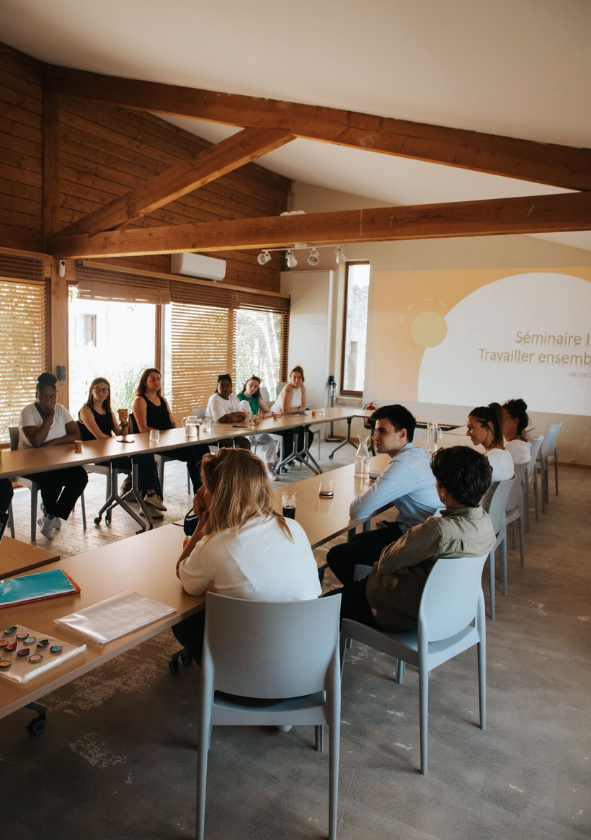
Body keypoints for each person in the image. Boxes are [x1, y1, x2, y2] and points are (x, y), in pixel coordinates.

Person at [172, 448, 321, 665]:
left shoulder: (216, 545)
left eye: (206, 485)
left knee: (184, 619)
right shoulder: (293, 527)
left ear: (220, 494)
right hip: (308, 667)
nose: (200, 490)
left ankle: (219, 678)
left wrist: (201, 526)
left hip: (250, 684)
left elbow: (184, 576)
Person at [324, 447, 496, 632]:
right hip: (446, 611)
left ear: (443, 492)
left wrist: (408, 562)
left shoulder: (437, 530)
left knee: (323, 607)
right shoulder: (485, 522)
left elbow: (386, 563)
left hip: (398, 611)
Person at [325, 404, 441, 585]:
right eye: (374, 430)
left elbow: (358, 511)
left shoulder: (403, 465)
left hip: (417, 541)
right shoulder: (419, 453)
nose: (375, 436)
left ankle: (370, 595)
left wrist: (381, 485)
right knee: (358, 539)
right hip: (422, 531)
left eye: (382, 431)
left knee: (338, 554)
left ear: (402, 433)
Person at [79, 377, 164, 516]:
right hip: (97, 455)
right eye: (98, 389)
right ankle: (150, 500)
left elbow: (120, 434)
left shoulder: (109, 412)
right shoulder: (86, 410)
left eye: (105, 389)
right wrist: (117, 441)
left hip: (112, 452)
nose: (101, 392)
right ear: (91, 391)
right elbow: (100, 437)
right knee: (143, 460)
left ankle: (151, 498)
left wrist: (124, 423)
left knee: (145, 456)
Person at [18, 372, 88, 539]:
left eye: (52, 396)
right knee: (53, 481)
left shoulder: (61, 409)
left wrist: (52, 443)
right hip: (29, 464)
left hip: (56, 461)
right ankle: (51, 514)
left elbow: (75, 434)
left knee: (80, 476)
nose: (48, 400)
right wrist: (49, 417)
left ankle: (50, 515)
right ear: (36, 396)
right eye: (43, 396)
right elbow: (36, 442)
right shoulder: (28, 412)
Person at [132, 368, 208, 505]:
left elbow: (172, 423)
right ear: (145, 382)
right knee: (192, 452)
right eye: (152, 379)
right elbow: (143, 428)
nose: (156, 382)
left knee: (199, 445)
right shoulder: (140, 400)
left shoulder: (163, 400)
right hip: (155, 442)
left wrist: (180, 434)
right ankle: (201, 487)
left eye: (158, 378)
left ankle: (205, 485)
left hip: (169, 440)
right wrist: (166, 436)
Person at [466, 402, 514, 508]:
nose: (467, 433)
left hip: (480, 516)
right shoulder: (506, 454)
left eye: (471, 427)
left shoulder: (489, 460)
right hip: (494, 514)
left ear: (488, 427)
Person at [237, 374, 279, 478]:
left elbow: (270, 412)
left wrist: (263, 415)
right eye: (251, 385)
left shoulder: (257, 398)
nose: (253, 388)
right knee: (246, 446)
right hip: (244, 431)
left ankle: (269, 469)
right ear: (246, 384)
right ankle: (247, 473)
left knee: (271, 442)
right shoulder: (238, 398)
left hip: (256, 430)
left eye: (256, 386)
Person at [270, 365, 314, 458]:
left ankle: (294, 457)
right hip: (275, 420)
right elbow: (285, 410)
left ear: (302, 379)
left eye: (299, 377)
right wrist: (298, 409)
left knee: (309, 434)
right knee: (292, 434)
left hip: (288, 419)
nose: (296, 380)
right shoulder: (288, 387)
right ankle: (281, 459)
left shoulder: (302, 388)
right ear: (290, 378)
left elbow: (303, 407)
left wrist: (295, 410)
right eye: (294, 377)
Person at [205, 374, 251, 450]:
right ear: (217, 386)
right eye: (222, 386)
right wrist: (238, 414)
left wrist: (233, 416)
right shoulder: (214, 399)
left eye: (227, 386)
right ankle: (229, 462)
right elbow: (223, 419)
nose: (224, 388)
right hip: (215, 433)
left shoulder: (232, 397)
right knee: (228, 442)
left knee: (245, 442)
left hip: (232, 431)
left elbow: (243, 416)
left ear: (231, 387)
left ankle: (243, 462)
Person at [502, 398, 532, 464]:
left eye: (502, 419)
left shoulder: (511, 448)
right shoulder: (519, 444)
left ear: (515, 421)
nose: (498, 422)